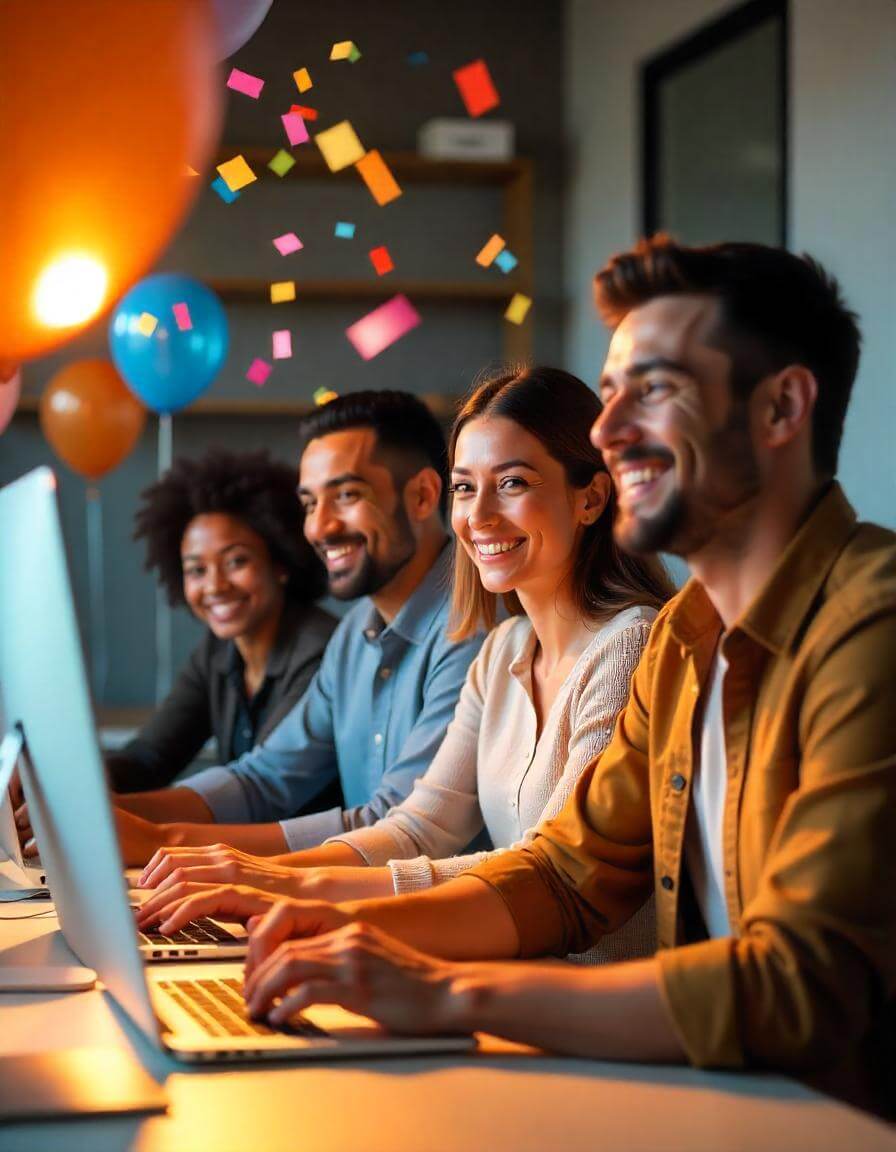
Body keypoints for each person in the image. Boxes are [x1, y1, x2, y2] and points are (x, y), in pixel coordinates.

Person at [147, 238, 894, 1115]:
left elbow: (798, 988)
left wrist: (446, 993)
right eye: (611, 394)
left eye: (652, 390)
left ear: (781, 409)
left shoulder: (867, 625)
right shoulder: (687, 641)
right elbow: (565, 874)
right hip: (731, 1099)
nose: (610, 432)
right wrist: (324, 921)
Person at [137, 367, 673, 976]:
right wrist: (260, 875)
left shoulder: (630, 647)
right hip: (510, 974)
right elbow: (418, 828)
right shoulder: (502, 652)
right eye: (466, 488)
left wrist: (296, 891)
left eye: (514, 482)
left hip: (593, 1004)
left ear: (592, 498)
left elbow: (544, 872)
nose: (480, 516)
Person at [104, 391, 485, 866]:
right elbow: (264, 778)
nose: (320, 528)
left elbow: (395, 826)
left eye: (347, 495)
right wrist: (104, 815)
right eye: (309, 503)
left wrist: (162, 840)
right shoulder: (353, 638)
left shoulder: (474, 626)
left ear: (424, 496)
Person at [13, 448, 338, 855]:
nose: (215, 586)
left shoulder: (324, 650)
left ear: (282, 562)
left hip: (303, 865)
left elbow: (263, 791)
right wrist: (62, 787)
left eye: (236, 561)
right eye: (196, 570)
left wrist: (95, 813)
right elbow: (149, 757)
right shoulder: (217, 652)